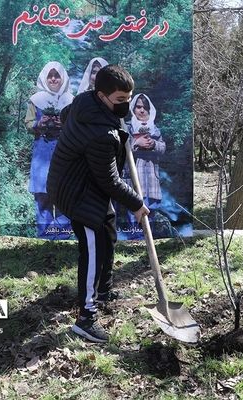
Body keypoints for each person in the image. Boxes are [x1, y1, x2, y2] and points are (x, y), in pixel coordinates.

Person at [47, 65, 150, 343]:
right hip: (78, 192)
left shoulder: (86, 103)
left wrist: (119, 130)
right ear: (102, 95)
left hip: (87, 183)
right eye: (120, 101)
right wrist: (137, 204)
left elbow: (68, 114)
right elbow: (110, 181)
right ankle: (86, 319)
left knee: (108, 233)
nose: (126, 105)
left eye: (129, 98)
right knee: (92, 249)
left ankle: (102, 292)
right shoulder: (100, 135)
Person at [25, 61, 74, 239]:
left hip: (65, 152)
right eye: (50, 75)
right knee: (42, 196)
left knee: (64, 194)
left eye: (57, 75)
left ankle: (62, 237)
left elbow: (78, 126)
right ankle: (45, 237)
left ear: (63, 78)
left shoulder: (71, 100)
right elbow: (28, 124)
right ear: (45, 78)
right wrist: (40, 123)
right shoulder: (35, 100)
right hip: (42, 152)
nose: (53, 79)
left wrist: (66, 124)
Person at [124, 93, 166, 235]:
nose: (142, 111)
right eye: (139, 107)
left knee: (151, 209)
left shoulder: (155, 129)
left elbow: (163, 148)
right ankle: (135, 238)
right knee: (134, 208)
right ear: (133, 109)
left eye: (145, 108)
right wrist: (136, 143)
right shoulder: (127, 127)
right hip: (134, 178)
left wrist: (153, 144)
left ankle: (149, 237)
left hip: (152, 179)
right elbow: (120, 150)